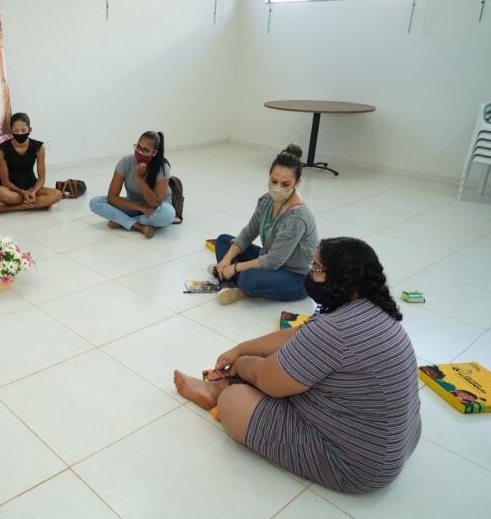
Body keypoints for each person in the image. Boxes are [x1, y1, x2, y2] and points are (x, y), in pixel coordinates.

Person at [174, 237, 421, 494]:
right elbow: (298, 335)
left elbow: (265, 379)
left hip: (357, 466)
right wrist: (241, 348)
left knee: (235, 400)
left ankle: (218, 392)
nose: (309, 274)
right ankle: (227, 386)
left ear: (339, 277)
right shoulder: (370, 308)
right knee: (290, 371)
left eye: (316, 269)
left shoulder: (333, 329)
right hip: (397, 446)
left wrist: (243, 363)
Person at [209, 144, 318, 304]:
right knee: (224, 240)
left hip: (294, 276)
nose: (277, 188)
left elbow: (273, 262)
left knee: (249, 278)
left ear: (297, 182)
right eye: (273, 181)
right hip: (269, 258)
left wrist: (234, 267)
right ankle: (228, 283)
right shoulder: (266, 200)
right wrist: (226, 260)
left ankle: (229, 278)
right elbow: (247, 234)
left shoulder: (296, 217)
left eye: (285, 184)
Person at [89, 131, 176, 238]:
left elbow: (155, 203)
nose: (140, 152)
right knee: (95, 202)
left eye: (145, 150)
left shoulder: (162, 168)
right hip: (134, 206)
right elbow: (112, 197)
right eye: (138, 147)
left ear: (154, 153)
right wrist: (140, 208)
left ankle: (122, 221)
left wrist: (139, 179)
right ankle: (138, 226)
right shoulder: (125, 162)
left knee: (168, 214)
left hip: (156, 210)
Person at [0, 112, 62, 214]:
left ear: (29, 130)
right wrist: (23, 193)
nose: (20, 133)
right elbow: (5, 181)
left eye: (23, 130)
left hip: (31, 186)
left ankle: (9, 208)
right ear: (11, 130)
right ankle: (38, 204)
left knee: (57, 194)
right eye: (16, 131)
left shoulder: (39, 147)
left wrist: (33, 192)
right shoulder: (1, 149)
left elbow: (42, 178)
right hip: (11, 189)